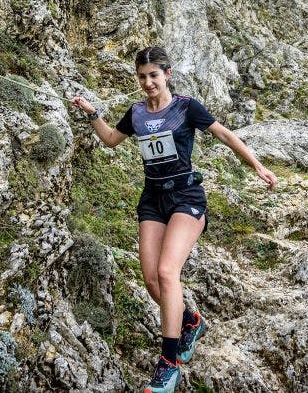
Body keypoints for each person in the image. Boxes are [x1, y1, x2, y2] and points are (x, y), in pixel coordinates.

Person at [72, 46, 277, 393]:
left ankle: (168, 365)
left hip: (185, 197)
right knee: (152, 281)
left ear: (167, 74)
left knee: (168, 272)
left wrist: (257, 166)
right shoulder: (136, 113)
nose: (148, 82)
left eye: (154, 75)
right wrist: (94, 114)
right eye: (142, 76)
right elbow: (110, 140)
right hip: (152, 199)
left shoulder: (186, 107)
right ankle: (190, 321)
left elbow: (225, 135)